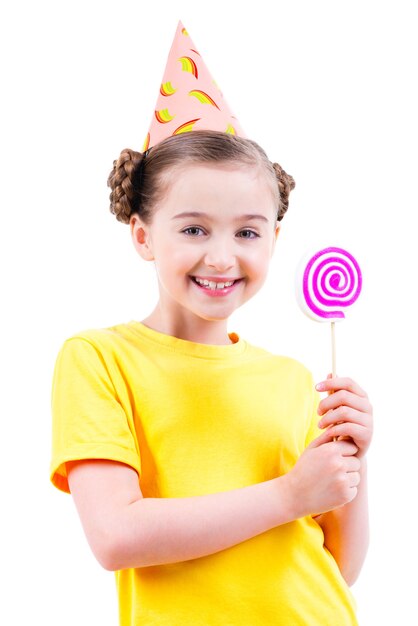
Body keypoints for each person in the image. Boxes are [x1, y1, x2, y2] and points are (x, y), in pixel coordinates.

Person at [50, 22, 373, 626]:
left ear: (274, 238)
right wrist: (290, 495)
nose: (222, 257)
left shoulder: (293, 378)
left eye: (248, 231)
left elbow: (339, 568)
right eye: (194, 228)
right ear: (143, 235)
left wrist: (352, 465)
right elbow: (116, 535)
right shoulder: (99, 359)